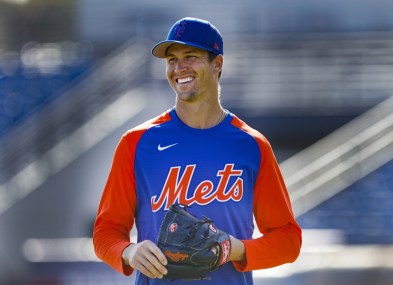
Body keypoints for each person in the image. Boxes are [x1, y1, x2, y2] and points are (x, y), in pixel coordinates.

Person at [93, 17, 302, 285]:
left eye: (190, 56)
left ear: (218, 64)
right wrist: (128, 251)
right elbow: (105, 232)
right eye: (171, 60)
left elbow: (288, 240)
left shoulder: (251, 145)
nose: (179, 67)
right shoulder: (136, 143)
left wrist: (235, 249)